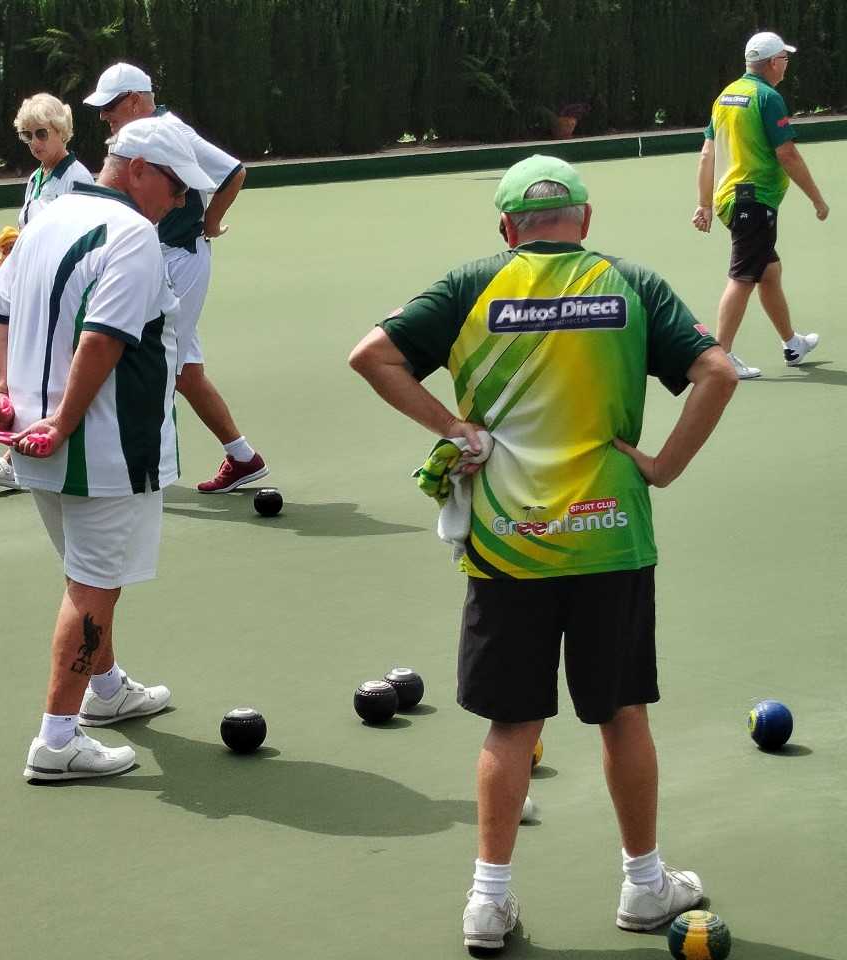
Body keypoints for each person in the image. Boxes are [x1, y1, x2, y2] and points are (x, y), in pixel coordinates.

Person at [349, 155, 737, 951]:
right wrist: (664, 466)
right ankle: (644, 886)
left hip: (508, 545)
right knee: (621, 712)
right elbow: (718, 371)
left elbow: (371, 355)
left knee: (512, 723)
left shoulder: (471, 285)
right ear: (584, 221)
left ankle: (488, 903)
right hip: (611, 537)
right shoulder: (631, 283)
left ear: (506, 228)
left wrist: (453, 428)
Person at [0, 115, 213, 782]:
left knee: (86, 573)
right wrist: (64, 421)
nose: (181, 201)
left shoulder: (45, 217)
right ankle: (57, 740)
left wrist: (1, 393)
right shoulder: (133, 236)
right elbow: (103, 339)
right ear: (137, 169)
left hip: (35, 441)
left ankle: (106, 690)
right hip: (106, 447)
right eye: (176, 186)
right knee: (93, 586)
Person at [83, 63, 268, 494]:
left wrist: (209, 223)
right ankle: (243, 458)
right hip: (160, 258)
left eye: (110, 107)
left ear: (134, 101)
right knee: (185, 373)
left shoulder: (171, 130)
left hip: (179, 260)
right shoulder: (139, 137)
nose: (104, 116)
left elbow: (233, 171)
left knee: (156, 367)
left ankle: (144, 469)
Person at [0, 92, 94, 489]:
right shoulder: (37, 178)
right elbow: (33, 231)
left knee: (53, 372)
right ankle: (18, 454)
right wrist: (14, 246)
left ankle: (16, 458)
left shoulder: (78, 178)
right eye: (28, 136)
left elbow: (80, 235)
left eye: (41, 134)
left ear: (61, 131)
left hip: (62, 292)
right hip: (34, 287)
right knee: (28, 368)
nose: (35, 143)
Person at [693, 30, 829, 379]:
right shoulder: (768, 97)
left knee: (769, 272)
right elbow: (787, 154)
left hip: (733, 200)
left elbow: (707, 153)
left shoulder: (726, 95)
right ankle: (721, 358)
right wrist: (817, 198)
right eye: (784, 58)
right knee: (743, 278)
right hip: (753, 202)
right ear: (772, 63)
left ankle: (792, 343)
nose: (786, 64)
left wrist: (705, 204)